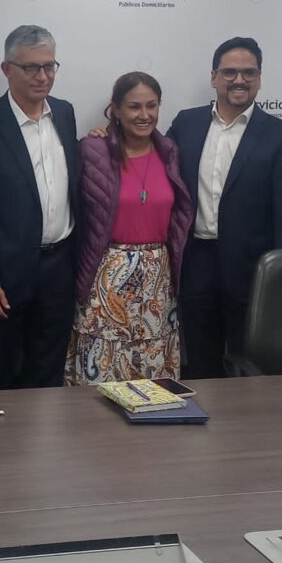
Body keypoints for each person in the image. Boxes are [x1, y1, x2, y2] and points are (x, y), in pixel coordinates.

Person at [167, 36, 282, 378]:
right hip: (197, 265)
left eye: (249, 73)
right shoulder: (186, 124)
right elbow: (148, 158)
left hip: (254, 272)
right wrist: (106, 136)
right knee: (200, 363)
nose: (239, 80)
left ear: (259, 78)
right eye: (230, 72)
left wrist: (280, 279)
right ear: (214, 77)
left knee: (252, 367)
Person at [0, 25, 79, 390]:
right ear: (6, 69)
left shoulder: (65, 113)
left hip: (59, 268)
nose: (42, 76)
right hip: (5, 276)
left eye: (49, 66)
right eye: (31, 67)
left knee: (48, 371)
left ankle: (44, 430)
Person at [67, 72, 194, 385]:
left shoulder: (170, 152)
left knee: (153, 376)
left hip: (158, 280)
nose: (144, 114)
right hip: (107, 277)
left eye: (152, 105)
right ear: (116, 109)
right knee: (102, 371)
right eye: (134, 106)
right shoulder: (92, 150)